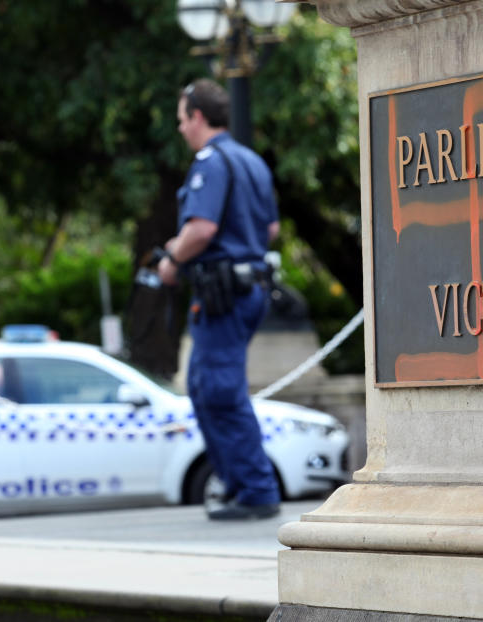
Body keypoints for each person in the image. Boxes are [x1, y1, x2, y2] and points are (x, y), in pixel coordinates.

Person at [158, 79, 281, 520]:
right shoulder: (251, 161)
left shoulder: (210, 161)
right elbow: (270, 230)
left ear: (197, 117)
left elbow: (202, 229)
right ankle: (237, 484)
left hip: (223, 294)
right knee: (205, 388)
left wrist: (172, 258)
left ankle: (255, 490)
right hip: (246, 289)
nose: (180, 129)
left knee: (219, 391)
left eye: (181, 119)